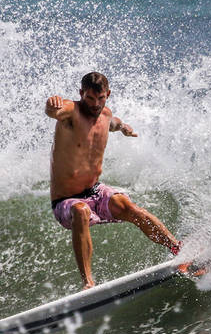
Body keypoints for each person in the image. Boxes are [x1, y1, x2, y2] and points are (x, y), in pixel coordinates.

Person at [46, 71, 181, 289]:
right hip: (66, 201)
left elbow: (114, 122)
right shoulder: (72, 111)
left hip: (95, 191)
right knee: (80, 210)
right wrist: (52, 106)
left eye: (100, 99)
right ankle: (88, 283)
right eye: (89, 98)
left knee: (129, 207)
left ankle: (177, 249)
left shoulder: (105, 114)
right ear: (81, 94)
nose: (95, 104)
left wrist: (124, 128)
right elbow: (55, 110)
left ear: (107, 94)